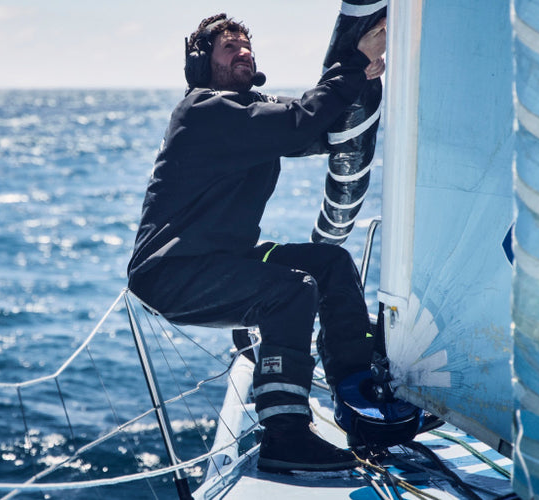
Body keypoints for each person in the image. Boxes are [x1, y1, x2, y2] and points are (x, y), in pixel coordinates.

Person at [126, 13, 386, 473]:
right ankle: (285, 436)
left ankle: (359, 398)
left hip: (221, 258)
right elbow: (297, 123)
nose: (244, 52)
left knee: (330, 264)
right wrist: (352, 60)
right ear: (202, 62)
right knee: (291, 290)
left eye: (248, 46)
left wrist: (362, 78)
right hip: (171, 270)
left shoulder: (249, 111)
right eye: (231, 47)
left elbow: (316, 125)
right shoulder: (204, 110)